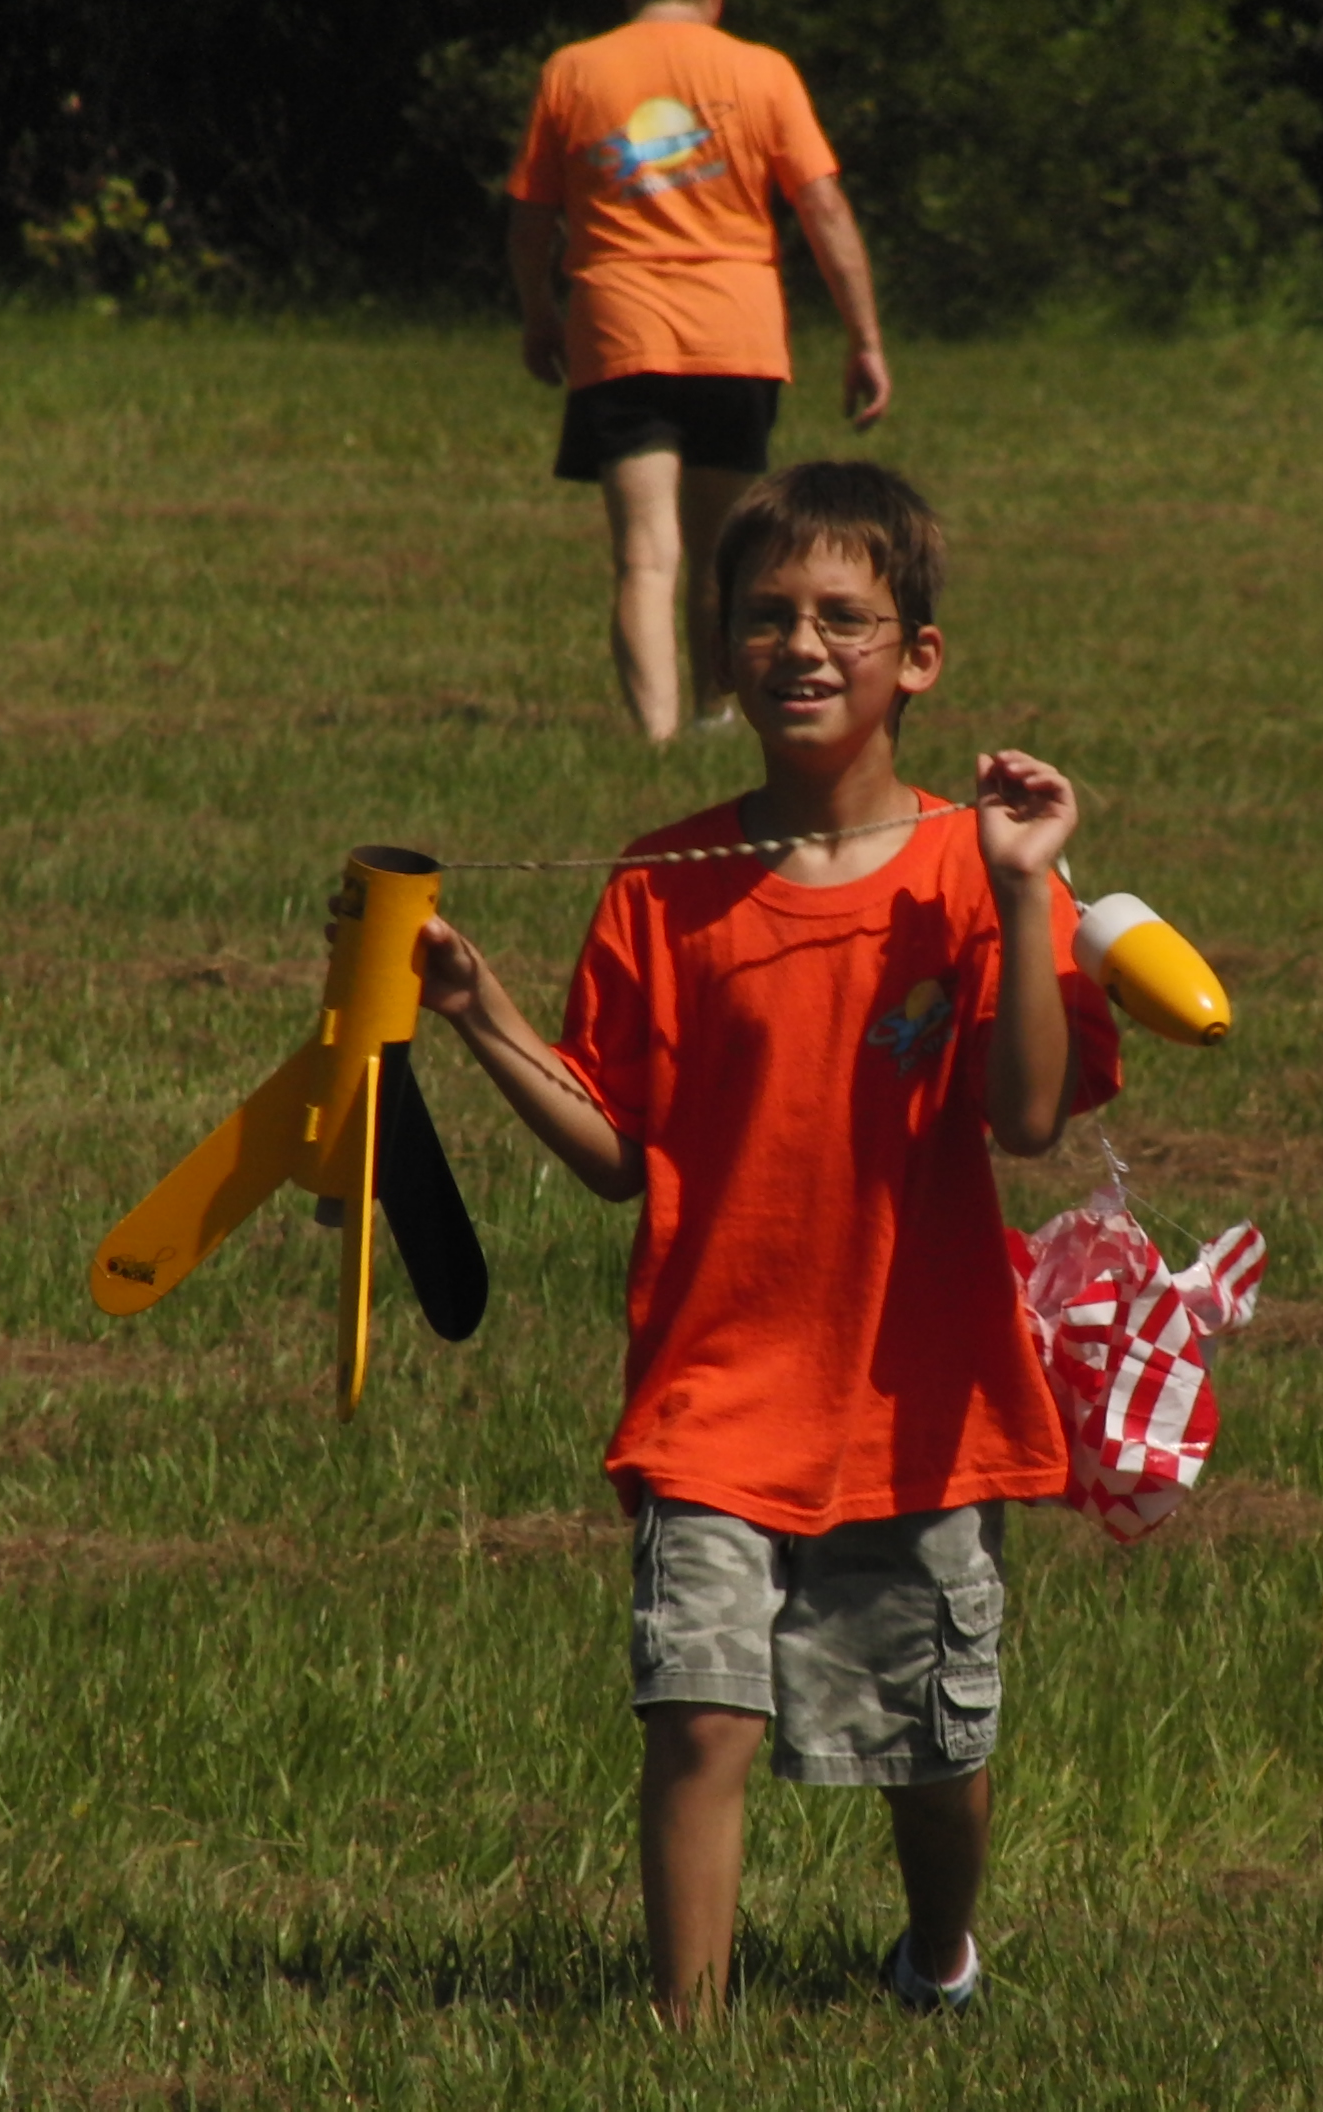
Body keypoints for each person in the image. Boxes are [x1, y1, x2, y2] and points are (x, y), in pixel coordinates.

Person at [405, 461, 1121, 2025]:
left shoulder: (976, 869)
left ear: (917, 657)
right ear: (721, 645)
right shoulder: (664, 882)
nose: (801, 646)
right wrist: (479, 1013)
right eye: (765, 615)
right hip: (714, 1383)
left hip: (916, 1396)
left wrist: (1022, 896)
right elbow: (619, 1156)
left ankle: (938, 1956)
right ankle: (688, 2046)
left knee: (931, 1751)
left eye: (843, 619)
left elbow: (1027, 1117)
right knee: (698, 1717)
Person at [507, 0, 893, 744]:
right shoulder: (763, 71)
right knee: (725, 553)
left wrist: (538, 315)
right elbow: (823, 208)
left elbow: (529, 222)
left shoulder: (575, 71)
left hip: (620, 329)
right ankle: (715, 715)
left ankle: (655, 738)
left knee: (646, 555)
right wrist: (864, 339)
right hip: (736, 333)